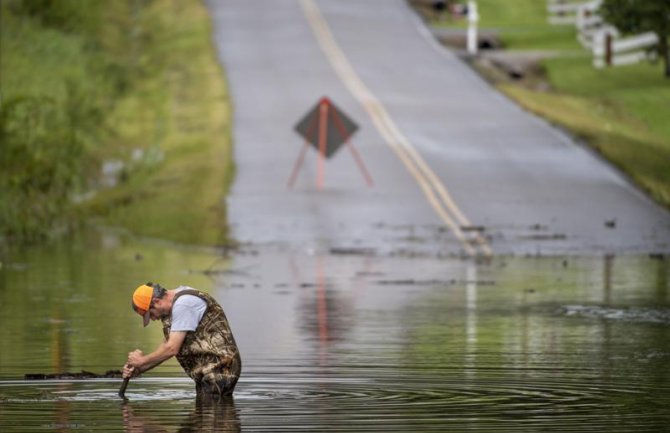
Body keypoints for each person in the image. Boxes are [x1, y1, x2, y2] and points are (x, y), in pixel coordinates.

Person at [123, 282, 242, 396]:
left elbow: (172, 348)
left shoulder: (184, 304)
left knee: (209, 408)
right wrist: (139, 369)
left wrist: (141, 361)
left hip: (221, 367)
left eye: (151, 314)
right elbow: (167, 345)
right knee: (207, 410)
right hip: (210, 369)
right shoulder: (177, 304)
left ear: (157, 301)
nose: (153, 319)